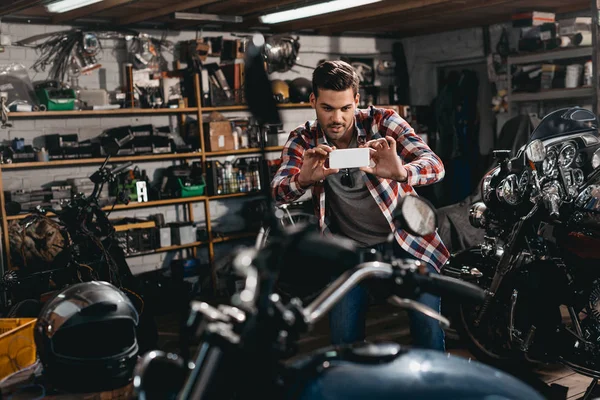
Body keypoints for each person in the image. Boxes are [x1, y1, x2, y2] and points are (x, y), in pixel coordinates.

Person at [271, 60, 449, 351]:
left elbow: (436, 166)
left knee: (428, 330)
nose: (337, 119)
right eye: (327, 108)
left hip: (407, 243)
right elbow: (278, 192)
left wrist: (401, 172)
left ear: (357, 100)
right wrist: (302, 179)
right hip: (348, 253)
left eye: (345, 108)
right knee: (344, 341)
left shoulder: (384, 122)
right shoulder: (303, 139)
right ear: (313, 101)